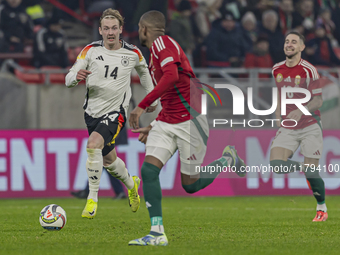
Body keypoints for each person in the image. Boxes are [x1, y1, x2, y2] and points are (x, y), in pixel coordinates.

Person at [128, 10, 246, 246]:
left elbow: (171, 77)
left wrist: (142, 105)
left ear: (144, 28)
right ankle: (157, 233)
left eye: (140, 28)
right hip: (167, 121)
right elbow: (173, 93)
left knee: (190, 185)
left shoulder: (163, 43)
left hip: (191, 122)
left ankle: (226, 158)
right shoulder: (155, 53)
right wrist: (153, 124)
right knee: (149, 171)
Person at [65, 8, 157, 219]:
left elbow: (144, 72)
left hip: (117, 112)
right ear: (100, 30)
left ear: (121, 29)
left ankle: (92, 199)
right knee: (108, 160)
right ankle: (131, 184)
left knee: (93, 145)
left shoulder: (132, 53)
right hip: (91, 113)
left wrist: (151, 96)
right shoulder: (89, 51)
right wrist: (75, 77)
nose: (110, 32)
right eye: (106, 28)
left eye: (114, 28)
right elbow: (68, 78)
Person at [271, 31, 327, 222]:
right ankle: (307, 168)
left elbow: (318, 100)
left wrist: (301, 110)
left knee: (312, 174)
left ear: (302, 47)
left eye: (294, 42)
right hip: (288, 126)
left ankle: (322, 208)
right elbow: (280, 95)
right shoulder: (276, 69)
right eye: (287, 41)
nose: (289, 44)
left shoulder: (308, 70)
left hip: (310, 124)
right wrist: (278, 115)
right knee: (276, 164)